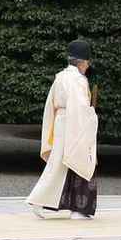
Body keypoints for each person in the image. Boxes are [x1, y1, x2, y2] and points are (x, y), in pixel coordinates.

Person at [26, 39, 98, 219]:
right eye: (87, 62)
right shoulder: (78, 80)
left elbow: (51, 104)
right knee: (78, 161)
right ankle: (78, 209)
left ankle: (41, 200)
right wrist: (92, 116)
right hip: (73, 123)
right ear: (83, 62)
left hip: (62, 121)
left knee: (58, 164)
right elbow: (80, 106)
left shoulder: (62, 76)